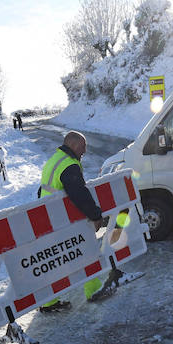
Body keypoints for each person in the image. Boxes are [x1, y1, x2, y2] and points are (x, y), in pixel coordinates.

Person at [36, 131, 134, 312]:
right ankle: (94, 290)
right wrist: (95, 215)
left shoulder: (55, 160)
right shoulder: (69, 165)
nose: (85, 151)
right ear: (73, 145)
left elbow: (43, 189)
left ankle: (49, 302)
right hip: (62, 218)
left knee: (60, 259)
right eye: (83, 147)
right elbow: (79, 194)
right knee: (86, 250)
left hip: (50, 217)